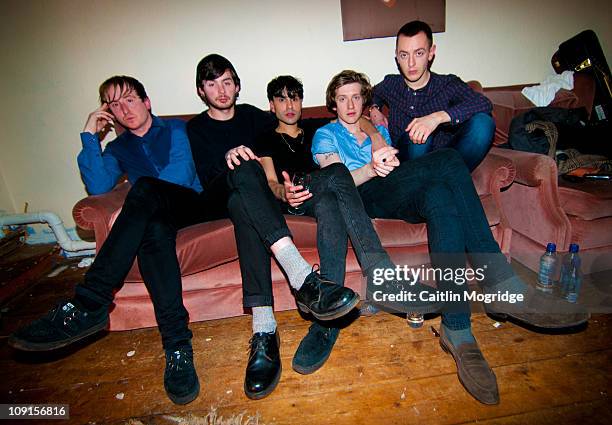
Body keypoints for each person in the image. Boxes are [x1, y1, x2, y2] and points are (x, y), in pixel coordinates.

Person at [312, 70, 590, 405]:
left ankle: (456, 327)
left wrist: (376, 135)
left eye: (356, 96)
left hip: (396, 187)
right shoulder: (325, 135)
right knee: (447, 159)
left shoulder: (378, 128)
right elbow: (334, 182)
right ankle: (499, 282)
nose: (350, 104)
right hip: (364, 194)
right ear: (333, 104)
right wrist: (372, 167)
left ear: (365, 101)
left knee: (442, 196)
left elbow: (386, 143)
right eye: (342, 98)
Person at [9, 76, 205, 405]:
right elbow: (99, 184)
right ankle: (177, 345)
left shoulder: (174, 129)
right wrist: (89, 135)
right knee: (152, 230)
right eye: (114, 105)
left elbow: (182, 173)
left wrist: (146, 194)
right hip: (155, 215)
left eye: (129, 99)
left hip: (189, 204)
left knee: (144, 190)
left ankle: (90, 301)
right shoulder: (117, 148)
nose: (123, 109)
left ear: (147, 102)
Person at [186, 54, 360, 400]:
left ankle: (264, 328)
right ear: (201, 91)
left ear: (236, 85)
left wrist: (373, 118)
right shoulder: (194, 128)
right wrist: (233, 160)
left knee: (246, 191)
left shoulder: (255, 117)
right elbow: (207, 178)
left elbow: (335, 116)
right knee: (242, 171)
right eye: (211, 83)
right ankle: (303, 278)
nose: (221, 90)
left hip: (248, 201)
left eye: (227, 82)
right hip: (217, 195)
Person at [255, 75, 441, 375]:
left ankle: (327, 318)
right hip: (292, 196)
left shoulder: (317, 126)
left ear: (303, 101)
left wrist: (376, 129)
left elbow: (358, 122)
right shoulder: (265, 136)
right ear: (271, 105)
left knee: (330, 200)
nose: (289, 105)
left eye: (295, 97)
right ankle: (382, 275)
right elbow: (270, 181)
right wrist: (283, 192)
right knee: (338, 172)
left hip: (322, 195)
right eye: (281, 98)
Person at [370, 20, 495, 171]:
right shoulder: (391, 84)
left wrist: (436, 118)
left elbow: (484, 104)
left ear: (431, 53)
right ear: (397, 56)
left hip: (447, 161)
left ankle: (446, 179)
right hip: (407, 164)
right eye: (404, 55)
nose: (411, 63)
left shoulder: (447, 84)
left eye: (419, 53)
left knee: (483, 123)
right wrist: (374, 108)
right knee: (420, 136)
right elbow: (372, 93)